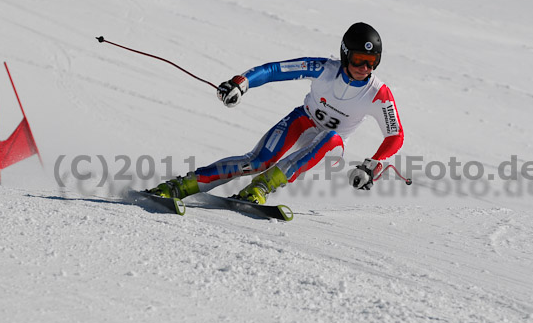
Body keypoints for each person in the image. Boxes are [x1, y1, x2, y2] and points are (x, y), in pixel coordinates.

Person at [147, 22, 404, 204]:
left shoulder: (378, 93)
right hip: (302, 122)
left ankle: (260, 188)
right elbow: (274, 70)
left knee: (332, 137)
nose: (364, 67)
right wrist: (241, 82)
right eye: (359, 59)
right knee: (256, 162)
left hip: (330, 147)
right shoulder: (324, 68)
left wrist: (372, 164)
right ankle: (178, 186)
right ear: (346, 54)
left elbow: (395, 135)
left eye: (372, 62)